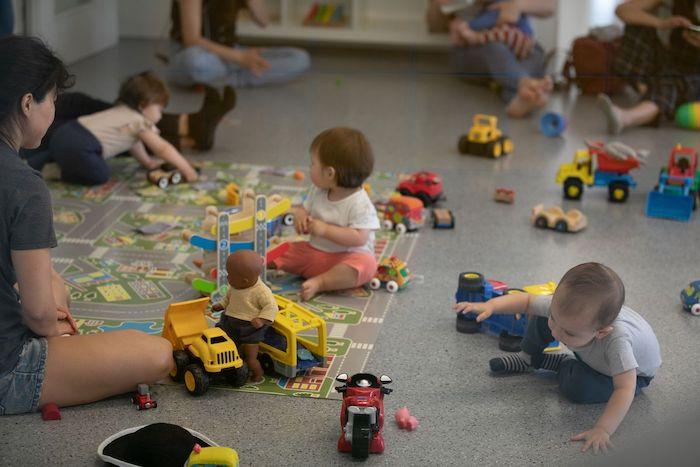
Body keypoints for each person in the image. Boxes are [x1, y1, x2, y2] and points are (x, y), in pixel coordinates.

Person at [0, 35, 173, 415]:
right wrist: (48, 327)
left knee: (53, 283)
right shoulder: (23, 184)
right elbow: (39, 315)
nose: (54, 112)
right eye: (53, 101)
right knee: (158, 354)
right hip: (6, 368)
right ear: (28, 103)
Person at [454, 263, 661, 454]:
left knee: (580, 387)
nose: (556, 335)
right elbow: (527, 301)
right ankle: (528, 359)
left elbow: (624, 388)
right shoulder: (567, 314)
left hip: (629, 375)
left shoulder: (618, 343)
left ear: (601, 332)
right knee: (542, 317)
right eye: (555, 318)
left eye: (569, 333)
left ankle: (562, 364)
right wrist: (491, 306)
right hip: (591, 353)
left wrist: (602, 429)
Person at [32, 71, 200, 186]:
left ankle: (33, 164)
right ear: (143, 105)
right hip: (81, 144)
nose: (161, 116)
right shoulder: (139, 122)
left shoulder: (121, 111)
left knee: (64, 151)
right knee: (100, 173)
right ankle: (55, 171)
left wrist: (147, 163)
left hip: (66, 131)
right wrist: (187, 170)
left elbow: (133, 144)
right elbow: (163, 149)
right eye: (159, 109)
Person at [271, 128, 380, 301]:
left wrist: (325, 230)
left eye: (313, 164)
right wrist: (301, 215)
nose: (309, 168)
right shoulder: (318, 189)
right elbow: (303, 207)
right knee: (284, 250)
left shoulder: (361, 204)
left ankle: (321, 282)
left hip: (346, 259)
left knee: (367, 265)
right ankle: (258, 263)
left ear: (330, 173)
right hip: (315, 253)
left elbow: (359, 238)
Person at [427, 0, 556, 117]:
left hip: (521, 47)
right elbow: (434, 25)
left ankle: (520, 99)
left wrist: (518, 5)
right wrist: (444, 13)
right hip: (475, 51)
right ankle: (524, 84)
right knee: (496, 51)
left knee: (535, 55)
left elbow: (549, 6)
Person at [597, 0, 700, 134]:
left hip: (691, 74)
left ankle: (626, 116)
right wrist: (662, 23)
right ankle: (648, 92)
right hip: (667, 63)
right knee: (637, 25)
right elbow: (623, 10)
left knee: (670, 80)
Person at [167, 0, 310, 88]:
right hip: (195, 53)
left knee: (300, 59)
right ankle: (237, 77)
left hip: (232, 53)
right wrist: (241, 58)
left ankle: (217, 79)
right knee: (195, 62)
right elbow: (192, 40)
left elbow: (263, 21)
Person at [212, 250, 278, 384]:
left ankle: (258, 374)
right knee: (229, 346)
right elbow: (229, 297)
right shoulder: (236, 285)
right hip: (230, 322)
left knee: (250, 357)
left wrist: (262, 319)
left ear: (245, 280)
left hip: (250, 328)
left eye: (230, 275)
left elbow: (271, 307)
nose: (227, 277)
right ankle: (231, 366)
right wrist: (221, 304)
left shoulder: (261, 291)